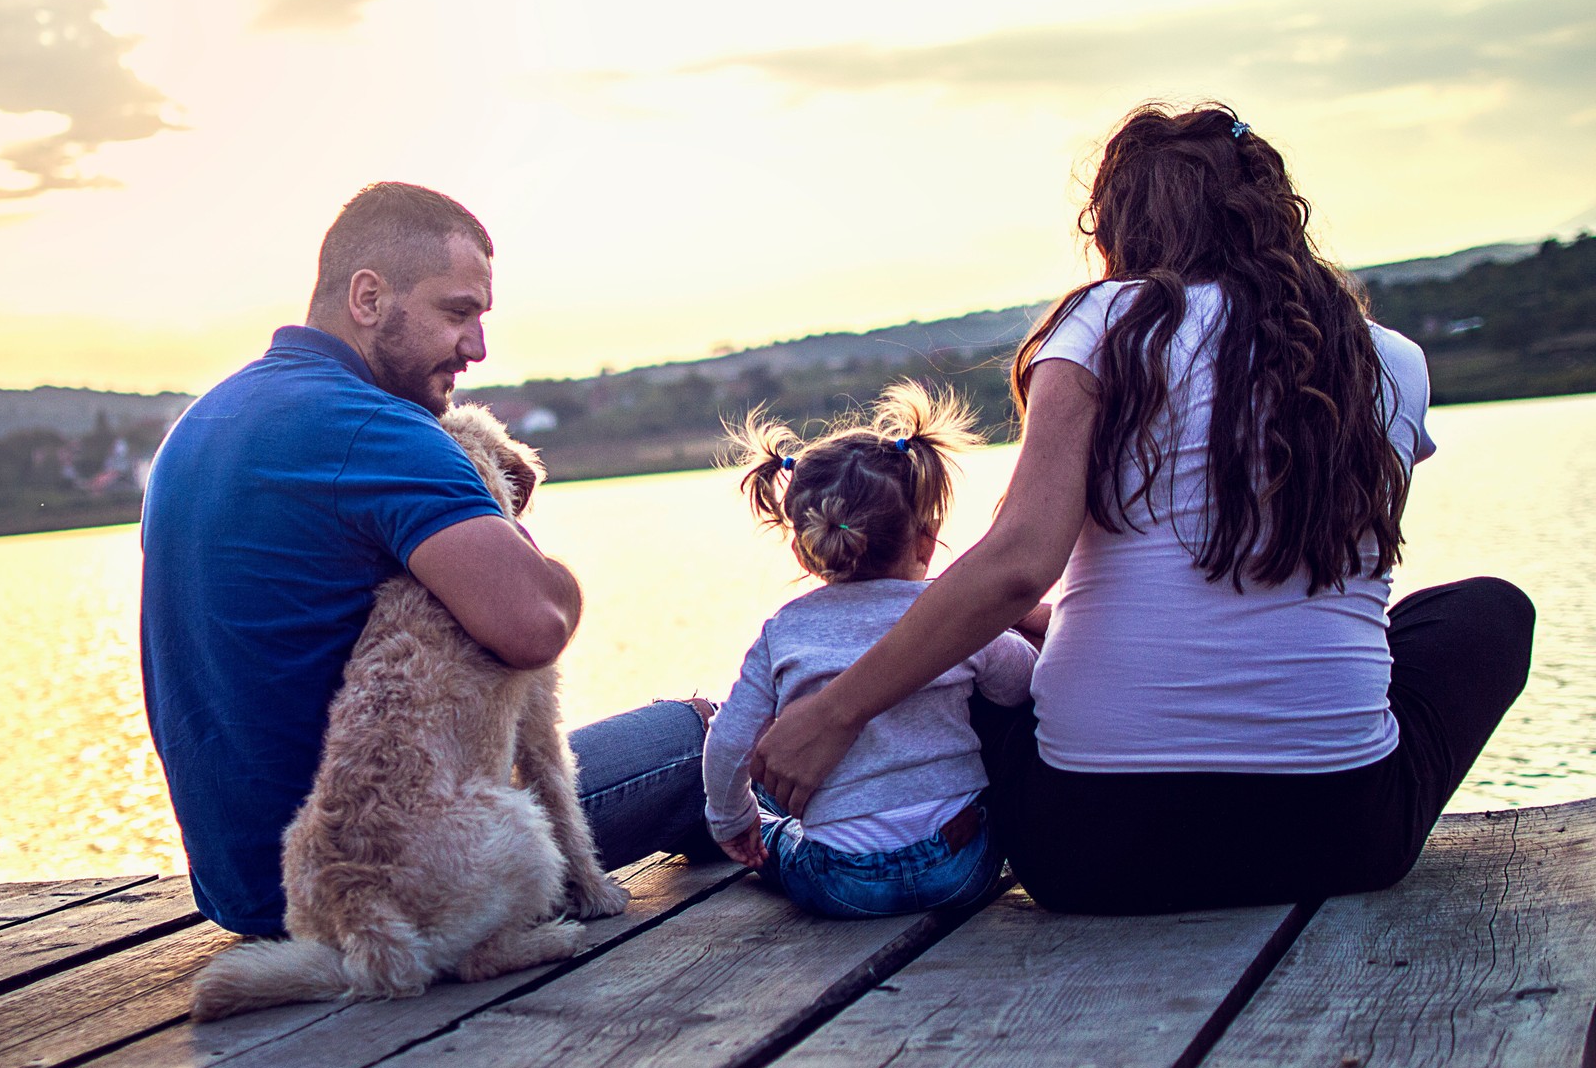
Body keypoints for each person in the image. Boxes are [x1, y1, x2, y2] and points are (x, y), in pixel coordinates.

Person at [749, 104, 1534, 914]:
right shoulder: (1389, 358)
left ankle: (869, 830)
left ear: (1121, 226)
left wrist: (835, 712)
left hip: (1089, 851)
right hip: (1343, 834)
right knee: (1490, 611)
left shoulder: (1100, 326)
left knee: (971, 662)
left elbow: (1017, 564)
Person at [141, 181, 712, 938]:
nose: (476, 348)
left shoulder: (199, 423)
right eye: (457, 312)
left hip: (244, 887)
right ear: (369, 297)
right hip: (393, 878)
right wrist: (552, 572)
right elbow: (533, 624)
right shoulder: (379, 428)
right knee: (696, 731)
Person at [702, 383, 1038, 919]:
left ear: (803, 549)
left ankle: (750, 833)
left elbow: (729, 744)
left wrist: (730, 820)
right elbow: (1021, 682)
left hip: (841, 878)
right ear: (926, 539)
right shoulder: (949, 615)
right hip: (964, 864)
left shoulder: (783, 630)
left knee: (770, 824)